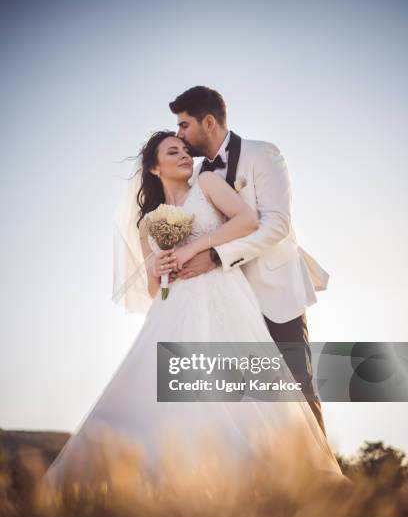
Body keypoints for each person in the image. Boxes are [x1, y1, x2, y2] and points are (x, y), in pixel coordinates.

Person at [43, 130, 344, 489]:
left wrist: (195, 250)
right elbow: (156, 292)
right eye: (174, 151)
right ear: (154, 168)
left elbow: (247, 220)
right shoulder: (147, 223)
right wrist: (157, 268)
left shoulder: (207, 184)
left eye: (186, 149)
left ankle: (277, 478)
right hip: (175, 309)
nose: (185, 154)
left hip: (224, 293)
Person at [169, 86, 328, 435]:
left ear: (207, 122)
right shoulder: (195, 177)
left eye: (183, 125)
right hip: (225, 300)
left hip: (275, 292)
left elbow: (277, 225)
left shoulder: (263, 155)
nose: (179, 134)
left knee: (297, 389)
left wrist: (215, 257)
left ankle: (327, 483)